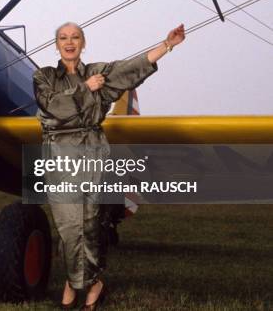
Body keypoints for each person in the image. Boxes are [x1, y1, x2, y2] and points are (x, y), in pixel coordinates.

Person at [32, 22, 186, 310]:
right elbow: (52, 106)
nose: (69, 42)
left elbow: (129, 71)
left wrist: (166, 46)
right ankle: (76, 281)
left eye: (75, 37)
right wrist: (85, 89)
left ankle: (87, 285)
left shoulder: (98, 73)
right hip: (59, 152)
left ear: (83, 43)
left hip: (91, 150)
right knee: (68, 226)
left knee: (89, 224)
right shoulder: (44, 75)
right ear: (56, 45)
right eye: (63, 38)